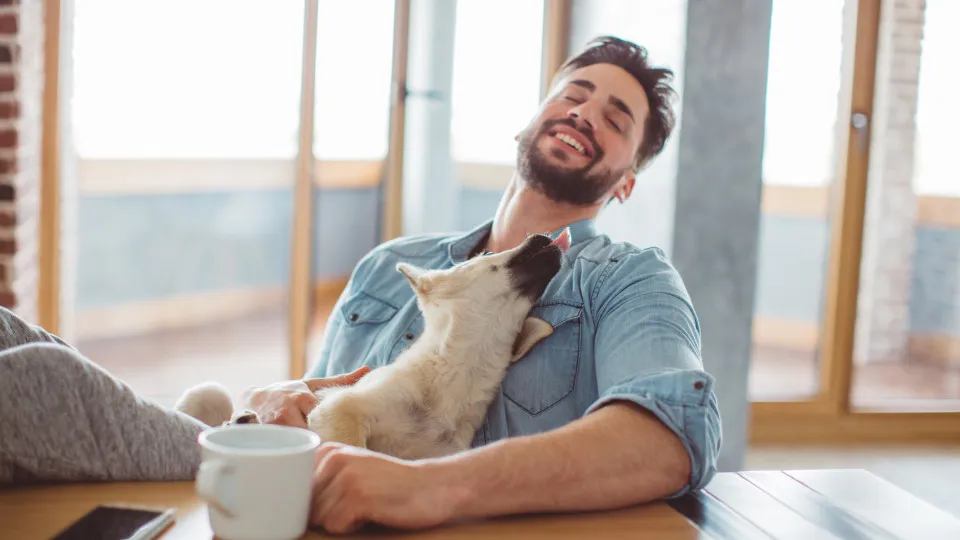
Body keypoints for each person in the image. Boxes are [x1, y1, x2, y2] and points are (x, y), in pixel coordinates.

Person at [0, 35, 720, 533]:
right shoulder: (391, 264)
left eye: (615, 118)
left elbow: (668, 441)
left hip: (353, 509)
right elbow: (317, 417)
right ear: (530, 121)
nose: (584, 114)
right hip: (261, 484)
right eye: (574, 94)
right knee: (14, 339)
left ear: (625, 184)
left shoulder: (627, 280)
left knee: (45, 378)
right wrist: (275, 398)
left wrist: (432, 488)